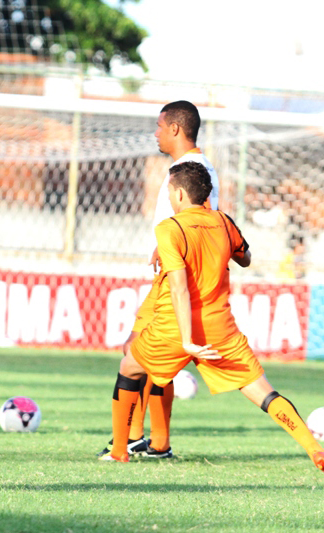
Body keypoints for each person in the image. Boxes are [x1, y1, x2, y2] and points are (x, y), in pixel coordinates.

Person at [100, 161, 324, 476]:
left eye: (168, 192)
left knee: (129, 368)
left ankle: (120, 451)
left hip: (174, 328)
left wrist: (187, 340)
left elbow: (179, 288)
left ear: (178, 194)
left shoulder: (170, 228)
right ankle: (316, 450)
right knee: (264, 392)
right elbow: (245, 258)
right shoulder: (223, 221)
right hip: (221, 329)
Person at [101, 100, 220, 459]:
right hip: (168, 272)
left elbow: (206, 219)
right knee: (140, 353)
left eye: (158, 126)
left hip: (175, 278)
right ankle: (150, 440)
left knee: (142, 353)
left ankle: (148, 439)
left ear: (174, 129)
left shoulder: (192, 168)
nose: (154, 133)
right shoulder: (190, 165)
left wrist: (173, 252)